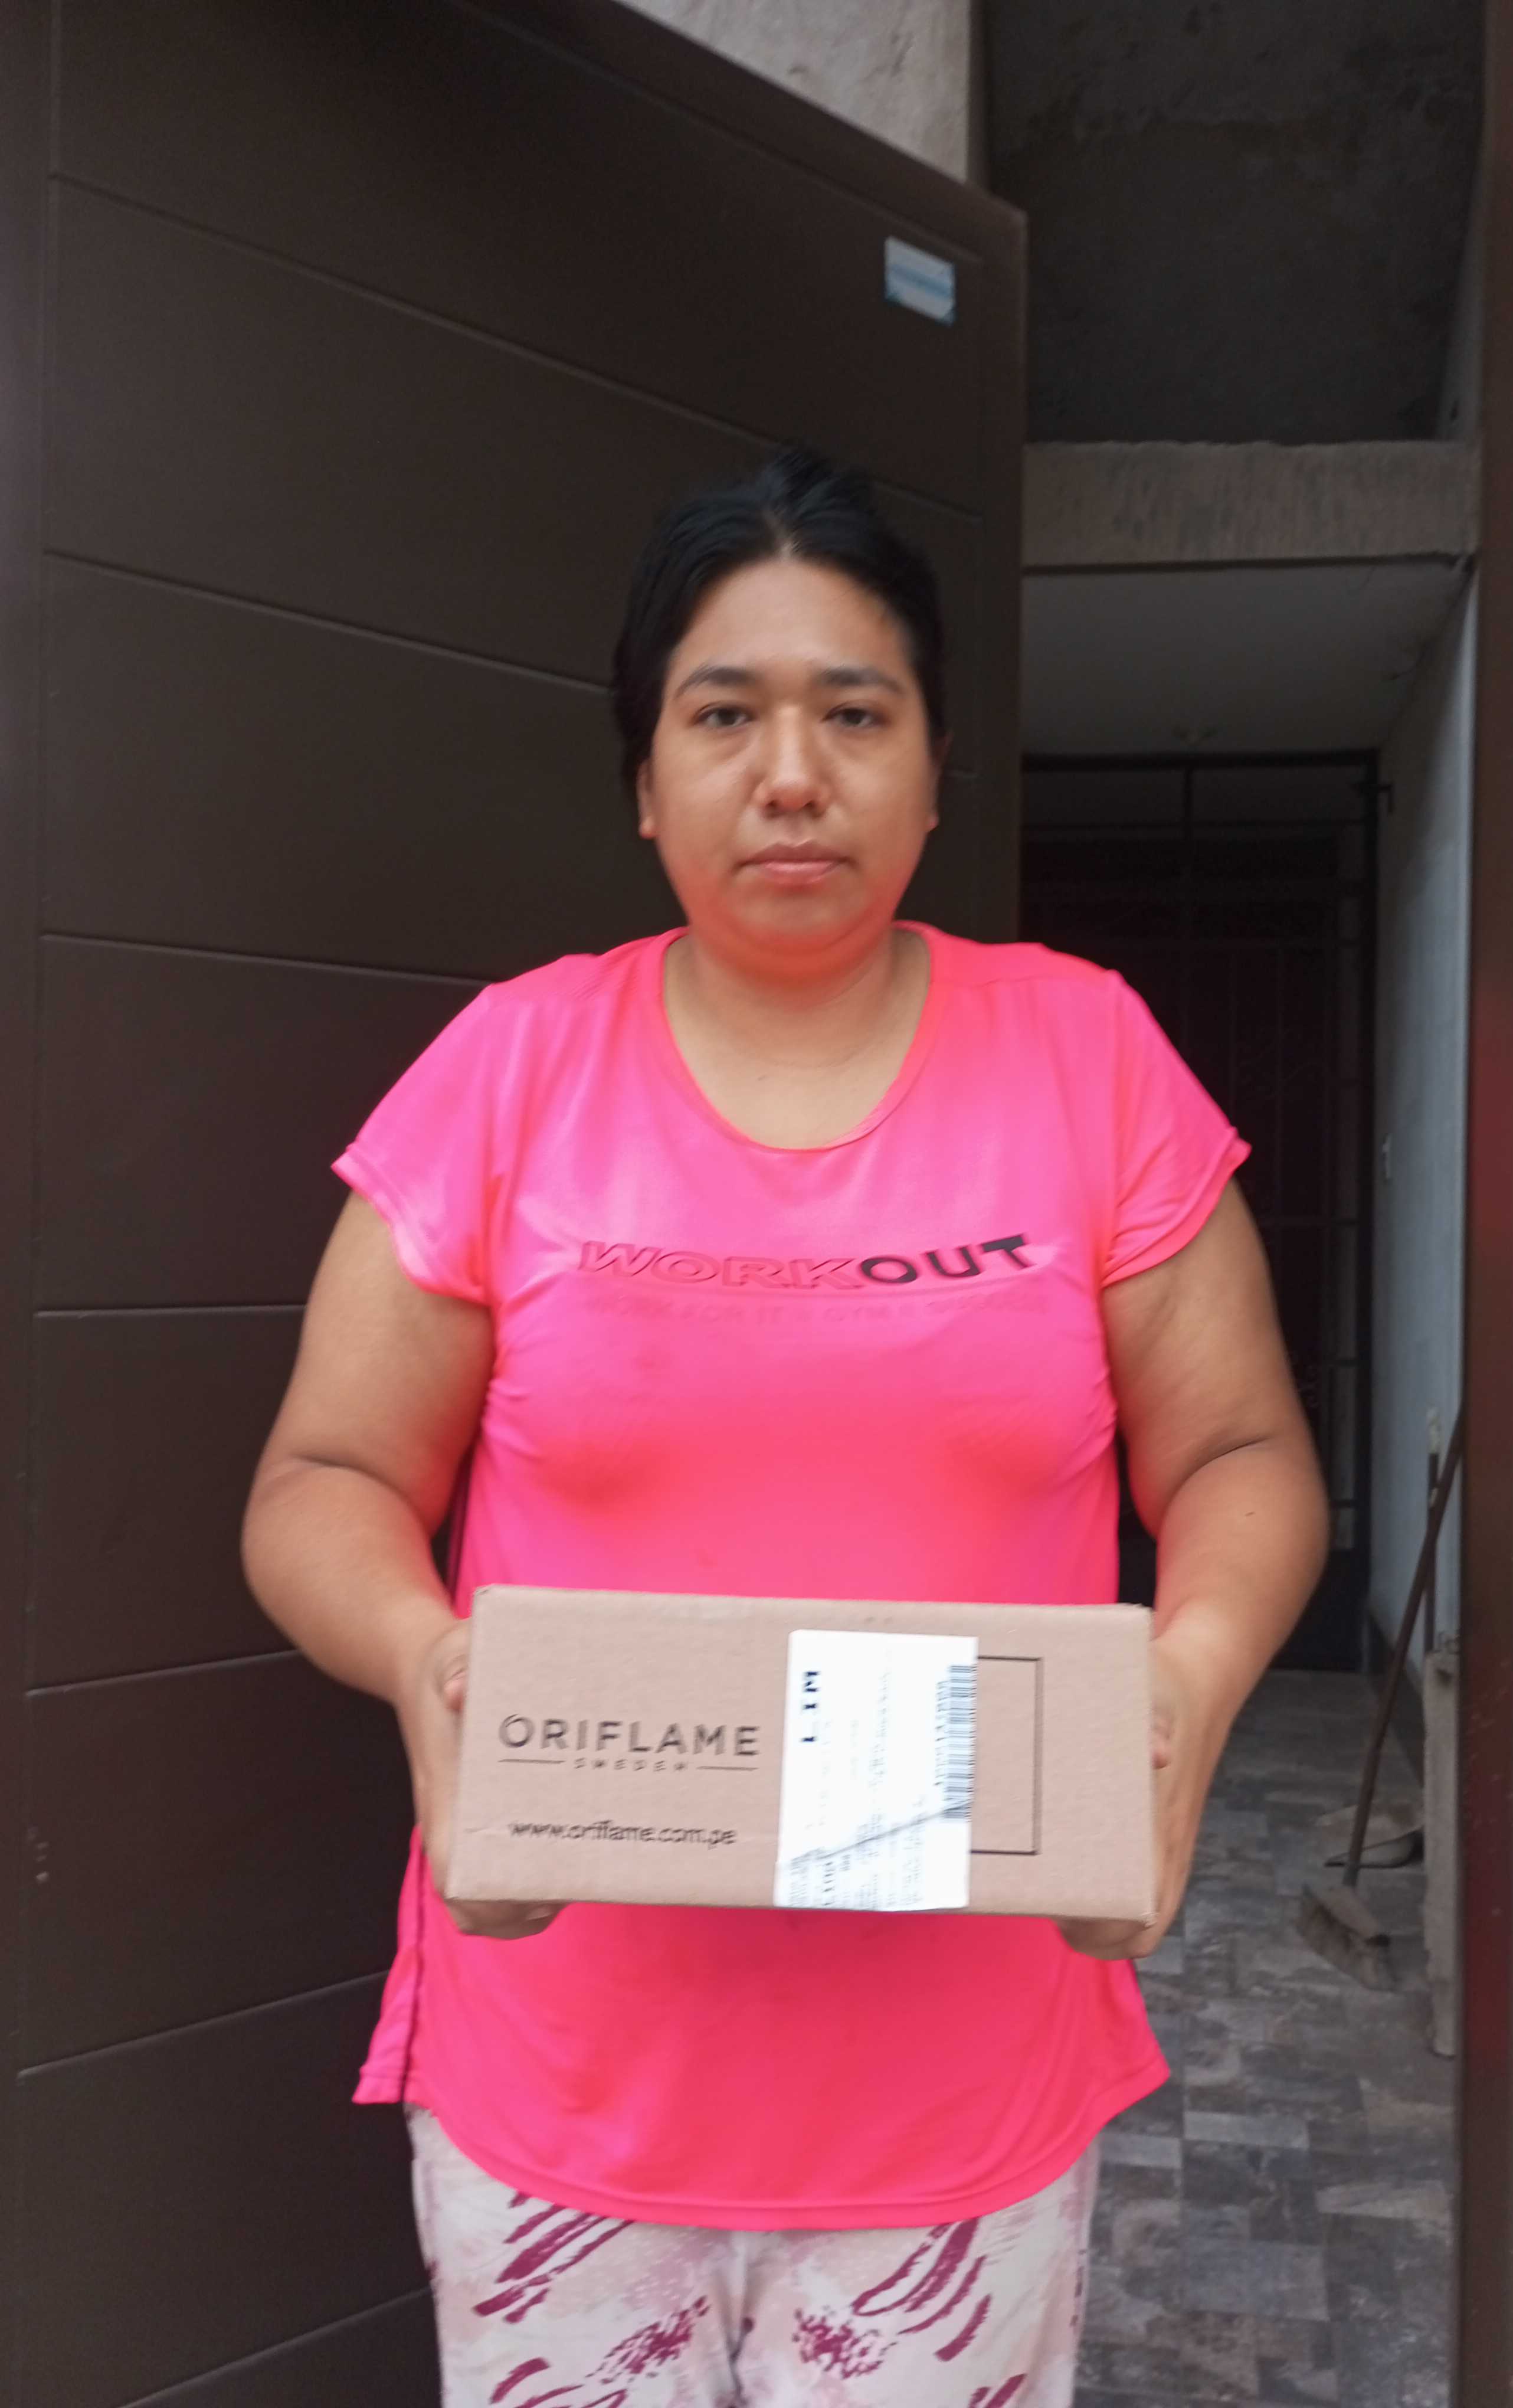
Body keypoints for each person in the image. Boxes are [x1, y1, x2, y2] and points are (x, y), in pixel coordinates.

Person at [243, 446, 1327, 2407]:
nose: (793, 773)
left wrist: (1193, 1671)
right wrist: (424, 1659)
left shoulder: (1085, 1054)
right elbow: (325, 1482)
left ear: (935, 770)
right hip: (569, 2076)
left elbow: (1240, 1459)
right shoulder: (512, 1068)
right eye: (725, 715)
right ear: (645, 782)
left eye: (856, 713)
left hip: (961, 2086)